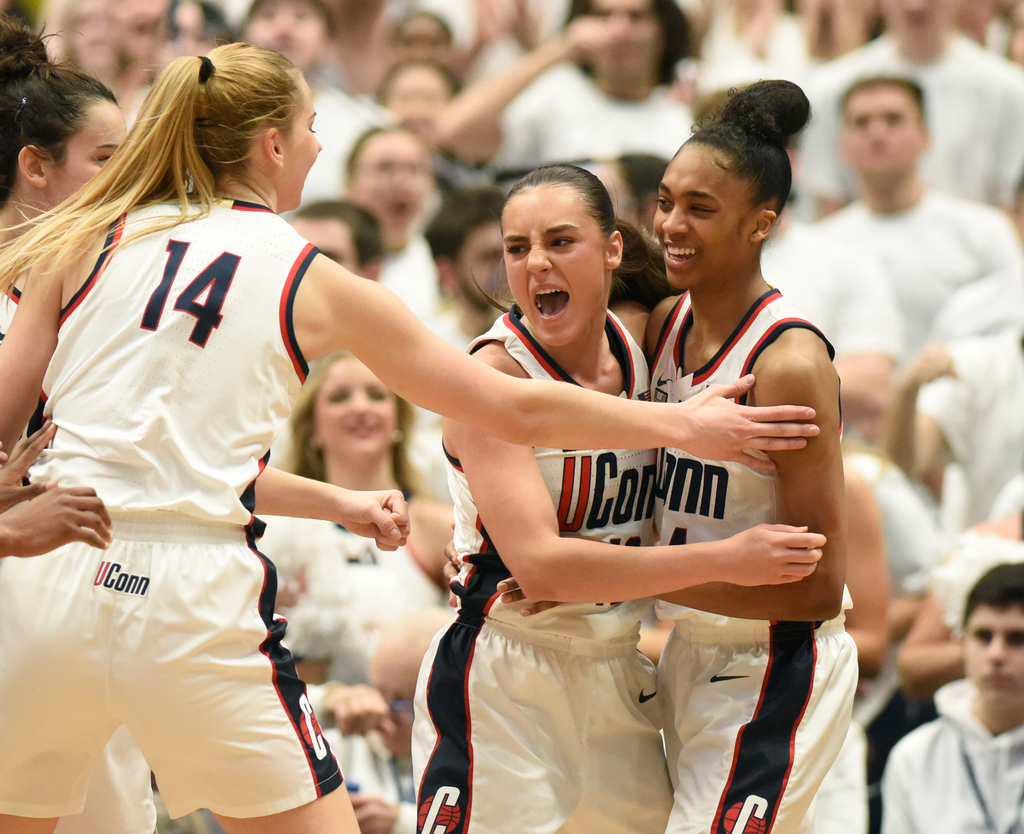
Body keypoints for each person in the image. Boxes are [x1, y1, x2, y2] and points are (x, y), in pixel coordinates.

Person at [0, 43, 822, 834]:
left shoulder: (84, 238)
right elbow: (512, 409)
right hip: (193, 590)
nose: (321, 148)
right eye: (315, 127)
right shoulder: (305, 271)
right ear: (272, 144)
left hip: (51, 579)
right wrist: (686, 423)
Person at [413, 163, 828, 834]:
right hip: (504, 674)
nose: (536, 264)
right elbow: (546, 570)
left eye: (559, 241)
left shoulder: (646, 348)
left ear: (612, 250)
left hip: (618, 667)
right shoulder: (489, 377)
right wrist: (726, 559)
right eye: (516, 249)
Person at [646, 79, 858, 833]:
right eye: (666, 200)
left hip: (779, 660)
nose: (671, 223)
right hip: (691, 650)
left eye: (700, 209)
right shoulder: (666, 321)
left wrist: (644, 581)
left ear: (761, 223)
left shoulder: (788, 362)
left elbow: (818, 587)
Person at [259, 352, 452, 686]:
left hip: (411, 725)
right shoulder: (272, 528)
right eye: (339, 397)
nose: (360, 407)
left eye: (377, 395)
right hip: (307, 719)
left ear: (398, 422)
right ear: (312, 428)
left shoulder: (438, 525)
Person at [816, 75, 1024, 364]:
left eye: (893, 119)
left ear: (926, 137)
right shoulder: (820, 244)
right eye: (861, 122)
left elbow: (1014, 323)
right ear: (843, 145)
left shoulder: (985, 231)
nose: (877, 132)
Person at [799, 0, 1024, 214]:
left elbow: (1012, 208)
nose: (915, 6)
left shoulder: (1010, 91)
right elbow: (827, 203)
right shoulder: (830, 90)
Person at [881, 562, 1024, 834]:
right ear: (961, 644)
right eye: (984, 636)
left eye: (1017, 638)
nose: (996, 655)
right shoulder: (915, 756)